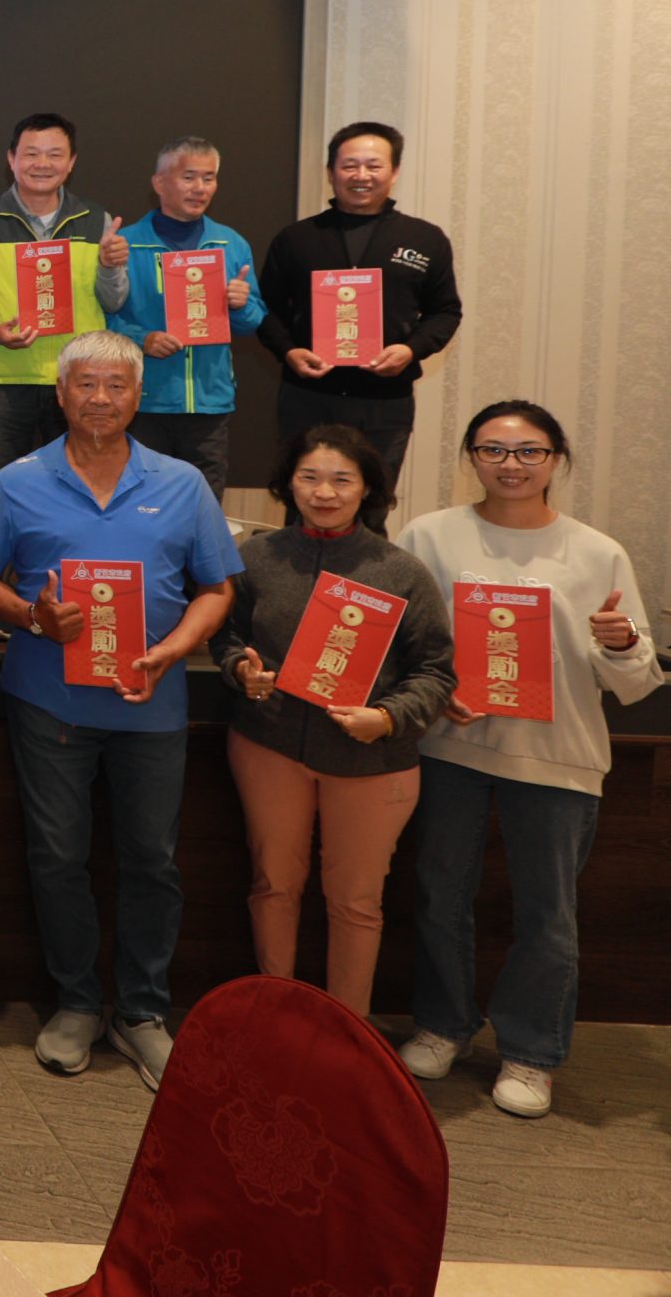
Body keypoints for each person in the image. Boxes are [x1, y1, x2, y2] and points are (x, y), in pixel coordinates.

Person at [0, 330, 239, 1091]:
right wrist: (32, 616)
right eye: (85, 385)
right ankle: (78, 1003)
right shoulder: (18, 481)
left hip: (151, 704)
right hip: (48, 700)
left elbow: (217, 589)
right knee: (58, 857)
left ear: (138, 395)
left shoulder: (183, 483)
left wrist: (173, 649)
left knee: (152, 860)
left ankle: (143, 1011)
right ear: (60, 395)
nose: (100, 399)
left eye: (115, 386)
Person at [394, 400, 658, 1120]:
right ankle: (442, 1025)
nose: (510, 464)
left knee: (548, 913)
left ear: (556, 460)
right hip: (450, 746)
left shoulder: (597, 552)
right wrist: (433, 691)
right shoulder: (429, 535)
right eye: (493, 449)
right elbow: (402, 642)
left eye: (529, 451)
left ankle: (532, 1053)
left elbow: (634, 683)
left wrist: (620, 643)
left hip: (556, 756)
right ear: (471, 458)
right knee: (440, 895)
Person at [216, 426, 453, 1017]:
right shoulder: (256, 558)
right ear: (288, 483)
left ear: (367, 487)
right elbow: (227, 636)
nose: (325, 492)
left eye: (342, 480)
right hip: (269, 745)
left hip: (370, 759)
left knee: (355, 902)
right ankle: (274, 1014)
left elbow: (435, 671)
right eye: (310, 478)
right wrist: (240, 671)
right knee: (273, 885)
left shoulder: (401, 570)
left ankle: (348, 1031)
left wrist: (388, 717)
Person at [257, 121, 462, 497]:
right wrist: (288, 351)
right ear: (330, 172)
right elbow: (264, 308)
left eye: (373, 165)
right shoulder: (296, 239)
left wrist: (410, 350)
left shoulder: (424, 239)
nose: (361, 175)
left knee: (373, 501)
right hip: (308, 396)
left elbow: (445, 311)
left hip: (385, 400)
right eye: (349, 165)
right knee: (304, 501)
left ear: (394, 172)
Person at [0, 112, 130, 500]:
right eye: (31, 153)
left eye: (54, 155)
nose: (42, 164)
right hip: (2, 383)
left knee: (81, 498)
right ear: (11, 159)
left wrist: (109, 266)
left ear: (71, 163)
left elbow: (114, 301)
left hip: (77, 384)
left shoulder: (96, 220)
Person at [105, 135, 266, 499]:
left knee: (203, 507)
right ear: (159, 183)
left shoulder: (231, 244)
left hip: (209, 403)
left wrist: (241, 304)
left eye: (209, 178)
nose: (200, 188)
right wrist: (142, 340)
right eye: (189, 177)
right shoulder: (125, 245)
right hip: (145, 400)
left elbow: (252, 322)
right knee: (141, 502)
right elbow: (102, 319)